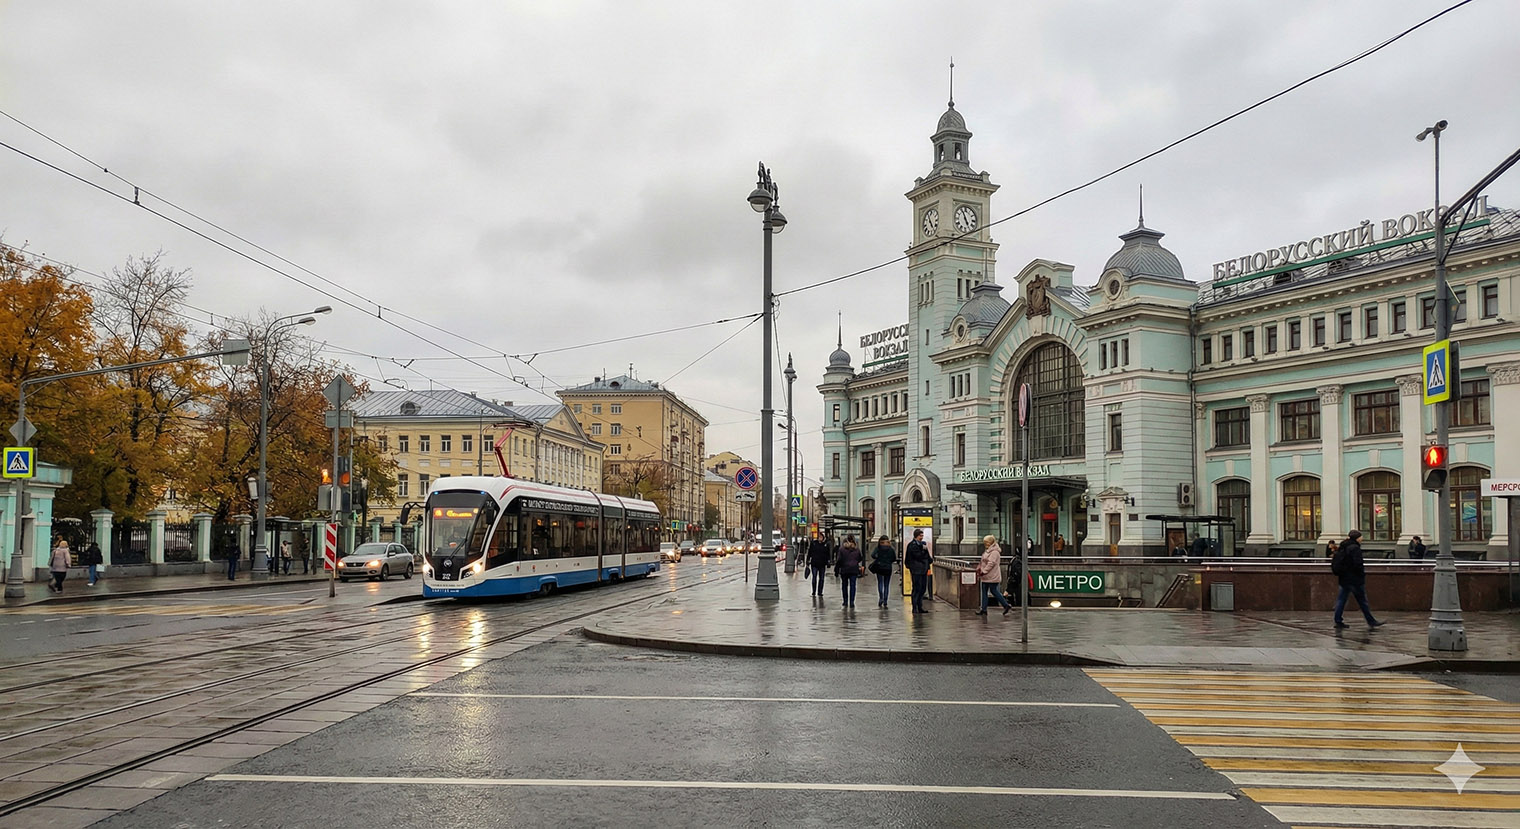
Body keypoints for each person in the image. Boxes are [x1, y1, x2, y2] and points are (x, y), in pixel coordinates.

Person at [1331, 529, 1383, 629]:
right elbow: (1358, 564)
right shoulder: (1355, 548)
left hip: (1344, 578)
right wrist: (1361, 575)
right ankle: (1371, 621)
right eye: (1361, 536)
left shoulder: (1343, 546)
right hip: (1355, 579)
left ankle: (1338, 620)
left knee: (1341, 599)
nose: (1362, 538)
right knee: (1362, 601)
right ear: (1357, 538)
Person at [975, 535, 1014, 616]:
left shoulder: (995, 552)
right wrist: (979, 568)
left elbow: (991, 563)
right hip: (985, 576)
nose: (985, 544)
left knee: (994, 591)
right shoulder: (988, 550)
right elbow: (983, 561)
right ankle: (984, 609)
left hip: (992, 575)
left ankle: (1006, 605)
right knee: (984, 591)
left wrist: (984, 571)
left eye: (986, 542)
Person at [905, 528, 932, 614]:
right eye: (921, 535)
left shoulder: (922, 545)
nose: (922, 537)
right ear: (916, 536)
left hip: (923, 569)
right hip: (916, 570)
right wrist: (923, 551)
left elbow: (927, 556)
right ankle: (915, 607)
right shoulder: (912, 545)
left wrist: (929, 559)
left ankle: (920, 606)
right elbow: (918, 556)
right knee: (916, 588)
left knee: (922, 588)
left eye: (922, 535)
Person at [836, 535, 863, 609]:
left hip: (844, 569)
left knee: (844, 586)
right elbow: (860, 558)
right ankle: (852, 602)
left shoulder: (842, 549)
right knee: (853, 586)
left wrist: (837, 569)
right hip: (854, 569)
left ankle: (845, 601)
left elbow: (839, 560)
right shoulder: (856, 549)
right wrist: (854, 562)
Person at [869, 535, 897, 608]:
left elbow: (872, 555)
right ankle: (885, 601)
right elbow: (894, 558)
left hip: (879, 567)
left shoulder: (878, 548)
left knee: (880, 583)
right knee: (886, 585)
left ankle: (881, 597)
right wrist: (888, 561)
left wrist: (878, 558)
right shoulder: (891, 549)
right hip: (888, 568)